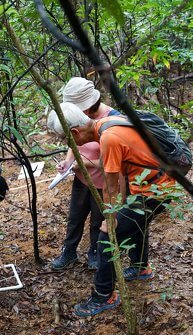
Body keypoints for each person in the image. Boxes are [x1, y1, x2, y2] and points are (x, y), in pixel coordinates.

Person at [47, 102, 174, 317]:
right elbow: (123, 171)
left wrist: (110, 217)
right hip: (151, 184)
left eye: (65, 139)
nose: (68, 144)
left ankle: (104, 295)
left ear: (75, 132)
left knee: (106, 238)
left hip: (154, 191)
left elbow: (110, 183)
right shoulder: (106, 124)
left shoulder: (109, 138)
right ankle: (141, 267)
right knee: (135, 223)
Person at [49, 77, 121, 270]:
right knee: (75, 217)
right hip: (81, 180)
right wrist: (68, 161)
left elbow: (112, 163)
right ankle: (69, 252)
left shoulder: (111, 121)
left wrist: (84, 165)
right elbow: (74, 141)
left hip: (103, 182)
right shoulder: (77, 122)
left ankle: (95, 254)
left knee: (98, 221)